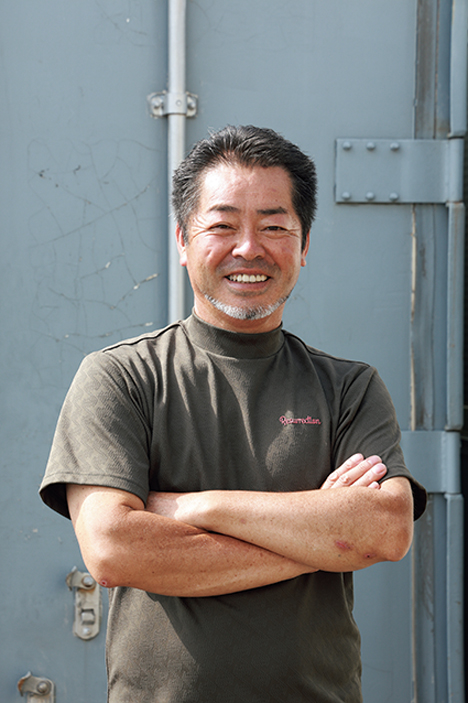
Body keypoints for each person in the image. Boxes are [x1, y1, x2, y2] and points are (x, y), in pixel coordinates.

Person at [40, 125, 426, 703]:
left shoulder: (349, 387)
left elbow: (387, 529)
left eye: (274, 227)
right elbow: (114, 549)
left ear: (304, 245)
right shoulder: (121, 377)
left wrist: (197, 507)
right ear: (182, 241)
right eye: (222, 226)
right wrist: (320, 535)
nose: (249, 248)